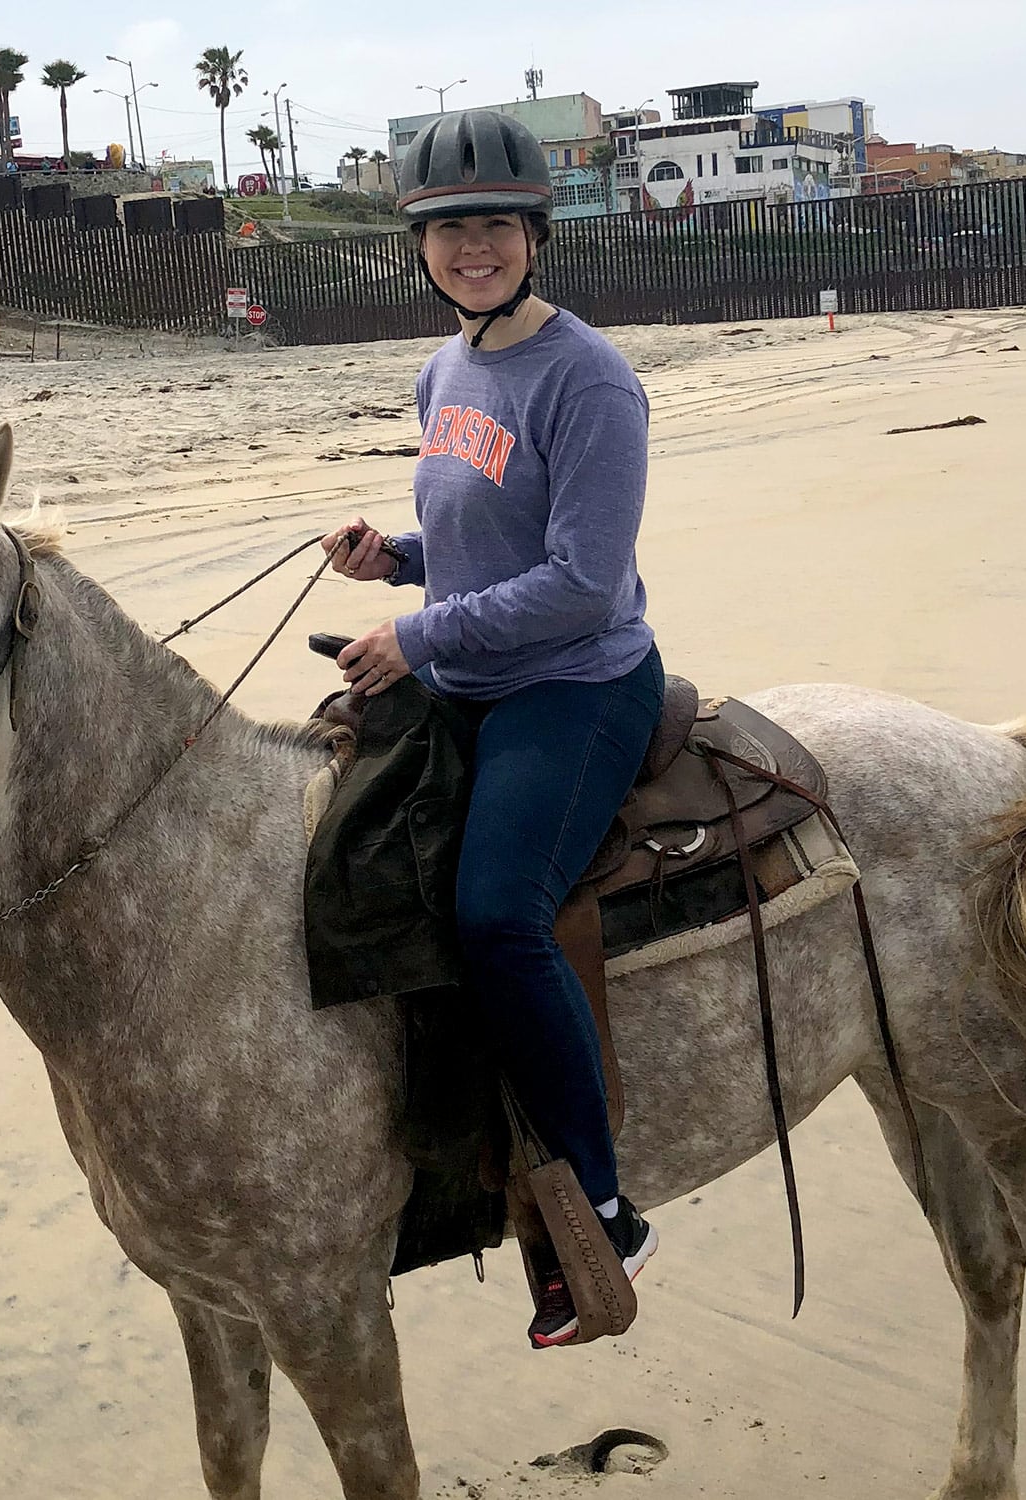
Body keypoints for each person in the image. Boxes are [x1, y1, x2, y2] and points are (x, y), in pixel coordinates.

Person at [323, 109, 664, 1348]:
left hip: (571, 684)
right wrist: (395, 563)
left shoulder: (589, 379)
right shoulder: (445, 369)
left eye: (494, 228)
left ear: (533, 237)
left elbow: (579, 581)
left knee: (494, 915)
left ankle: (603, 1201)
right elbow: (478, 542)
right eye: (450, 230)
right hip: (471, 668)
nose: (473, 249)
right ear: (423, 248)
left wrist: (416, 639)